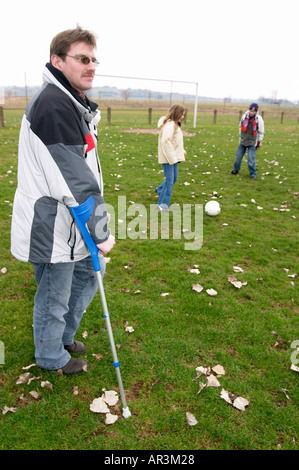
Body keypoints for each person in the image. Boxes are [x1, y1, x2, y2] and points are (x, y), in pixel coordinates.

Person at [10, 26, 115, 375]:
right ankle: (50, 355)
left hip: (73, 221)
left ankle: (64, 337)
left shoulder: (72, 101)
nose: (91, 66)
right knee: (54, 293)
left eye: (93, 59)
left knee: (86, 277)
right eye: (82, 59)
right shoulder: (54, 105)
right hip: (53, 222)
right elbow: (77, 181)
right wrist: (101, 230)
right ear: (57, 60)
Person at [155, 105, 187, 211]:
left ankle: (160, 189)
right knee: (169, 181)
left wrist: (181, 151)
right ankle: (162, 205)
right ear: (176, 113)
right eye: (181, 114)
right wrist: (171, 157)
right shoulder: (170, 125)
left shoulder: (176, 124)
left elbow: (174, 141)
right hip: (169, 158)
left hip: (173, 157)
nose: (183, 116)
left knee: (174, 179)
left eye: (184, 114)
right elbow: (165, 141)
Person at [231, 103, 264, 179]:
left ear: (256, 111)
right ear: (249, 110)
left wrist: (259, 143)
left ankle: (253, 174)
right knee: (238, 157)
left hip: (252, 142)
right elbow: (240, 126)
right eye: (251, 111)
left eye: (254, 111)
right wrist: (241, 136)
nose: (252, 113)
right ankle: (236, 170)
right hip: (243, 141)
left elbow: (261, 132)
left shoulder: (259, 119)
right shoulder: (244, 117)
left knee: (251, 160)